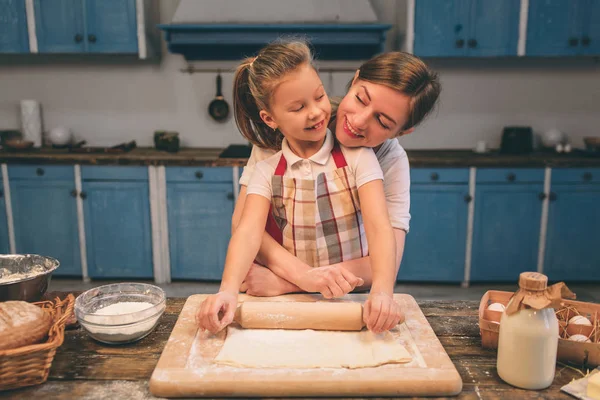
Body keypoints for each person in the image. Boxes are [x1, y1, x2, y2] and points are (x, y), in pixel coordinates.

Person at [197, 40, 399, 334]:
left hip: (350, 303)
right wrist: (227, 290)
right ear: (270, 119)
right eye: (298, 107)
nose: (317, 112)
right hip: (290, 301)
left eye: (319, 96)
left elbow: (380, 228)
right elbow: (247, 231)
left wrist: (382, 292)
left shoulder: (359, 158)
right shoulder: (266, 171)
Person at [235, 51, 441, 298]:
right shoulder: (289, 127)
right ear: (354, 81)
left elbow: (387, 262)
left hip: (336, 292)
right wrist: (301, 276)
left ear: (402, 132)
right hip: (274, 281)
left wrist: (293, 283)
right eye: (361, 99)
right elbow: (242, 224)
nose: (359, 120)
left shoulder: (390, 160)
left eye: (383, 122)